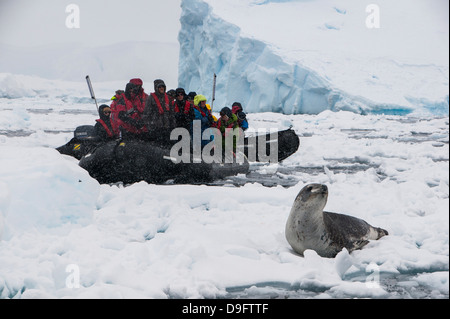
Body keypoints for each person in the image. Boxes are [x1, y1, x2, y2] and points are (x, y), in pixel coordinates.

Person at [143, 79, 179, 145]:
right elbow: (146, 114)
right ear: (156, 88)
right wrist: (151, 127)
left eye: (162, 86)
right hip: (156, 129)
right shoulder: (150, 98)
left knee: (167, 146)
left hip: (166, 128)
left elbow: (171, 114)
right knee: (158, 147)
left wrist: (173, 126)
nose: (161, 88)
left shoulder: (167, 98)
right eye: (159, 87)